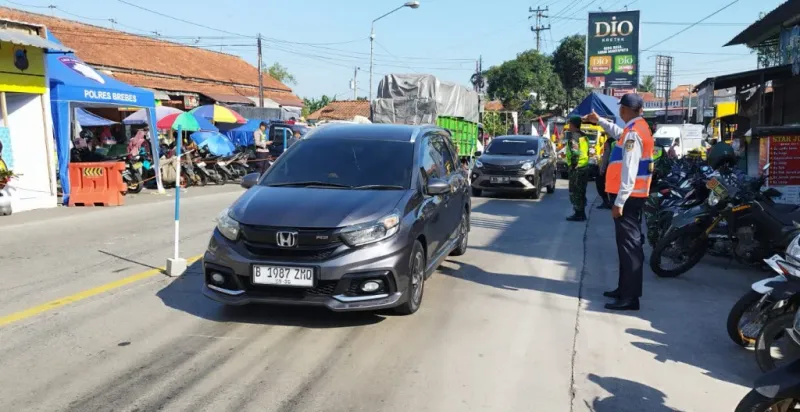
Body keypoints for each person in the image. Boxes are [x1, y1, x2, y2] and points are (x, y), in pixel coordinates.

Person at [583, 93, 654, 311]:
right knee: (626, 248)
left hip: (629, 199)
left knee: (629, 248)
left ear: (624, 110)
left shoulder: (633, 133)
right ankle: (624, 290)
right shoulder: (637, 128)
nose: (619, 112)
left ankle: (630, 298)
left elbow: (630, 171)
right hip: (634, 197)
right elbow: (618, 133)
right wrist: (600, 121)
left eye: (620, 109)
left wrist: (619, 202)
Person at [565, 116, 590, 221]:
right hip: (584, 166)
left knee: (575, 191)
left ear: (572, 124)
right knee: (582, 191)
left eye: (570, 124)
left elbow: (575, 153)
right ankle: (582, 213)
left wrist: (572, 167)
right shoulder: (584, 136)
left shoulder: (574, 137)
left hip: (577, 169)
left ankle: (578, 213)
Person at [595, 134, 615, 209]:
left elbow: (606, 156)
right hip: (617, 167)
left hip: (609, 167)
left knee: (600, 183)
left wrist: (602, 169)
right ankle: (612, 202)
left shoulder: (609, 142)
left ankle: (606, 202)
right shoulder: (620, 140)